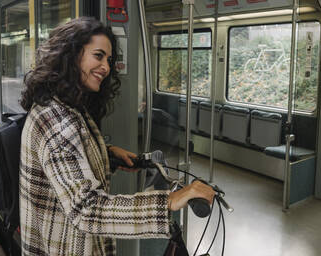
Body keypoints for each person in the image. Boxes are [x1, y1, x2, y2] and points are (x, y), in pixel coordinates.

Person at [19, 17, 214, 256]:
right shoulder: (58, 121)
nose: (106, 67)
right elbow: (87, 209)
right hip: (64, 246)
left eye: (109, 60)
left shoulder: (61, 105)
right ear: (70, 56)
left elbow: (66, 164)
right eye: (98, 56)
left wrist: (108, 157)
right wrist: (169, 201)